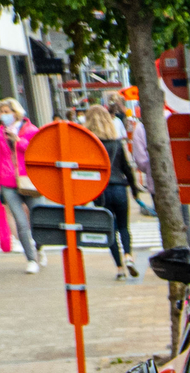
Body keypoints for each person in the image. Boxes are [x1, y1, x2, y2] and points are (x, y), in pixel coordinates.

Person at [80, 105, 139, 279]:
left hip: (101, 191)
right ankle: (128, 256)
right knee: (124, 227)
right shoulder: (117, 143)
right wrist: (135, 191)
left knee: (110, 230)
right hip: (120, 188)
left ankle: (120, 268)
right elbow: (127, 169)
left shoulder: (88, 145)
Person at [0, 99, 39, 270]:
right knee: (21, 222)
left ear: (16, 112)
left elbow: (37, 153)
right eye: (2, 112)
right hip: (8, 182)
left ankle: (40, 248)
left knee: (38, 219)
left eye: (8, 111)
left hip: (31, 181)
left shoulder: (31, 130)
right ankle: (31, 259)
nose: (4, 115)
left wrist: (18, 141)